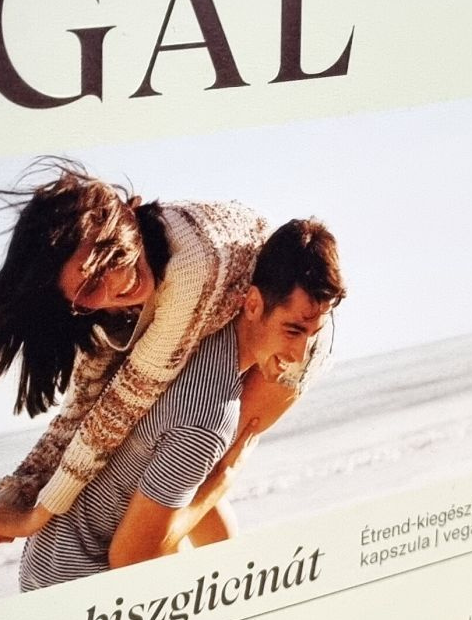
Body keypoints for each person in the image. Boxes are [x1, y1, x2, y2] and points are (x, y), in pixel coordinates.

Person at [0, 159, 331, 549]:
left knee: (193, 470)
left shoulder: (191, 265)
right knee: (172, 470)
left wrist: (37, 515)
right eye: (88, 289)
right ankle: (218, 572)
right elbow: (80, 408)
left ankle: (223, 577)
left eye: (111, 256)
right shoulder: (107, 309)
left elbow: (121, 408)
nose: (117, 284)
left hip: (288, 334)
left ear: (127, 217)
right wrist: (18, 489)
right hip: (225, 328)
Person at [20, 219, 346, 588]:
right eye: (293, 330)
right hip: (78, 586)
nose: (300, 354)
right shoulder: (209, 419)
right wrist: (219, 483)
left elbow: (173, 498)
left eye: (312, 335)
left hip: (44, 558)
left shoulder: (196, 339)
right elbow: (131, 559)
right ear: (253, 303)